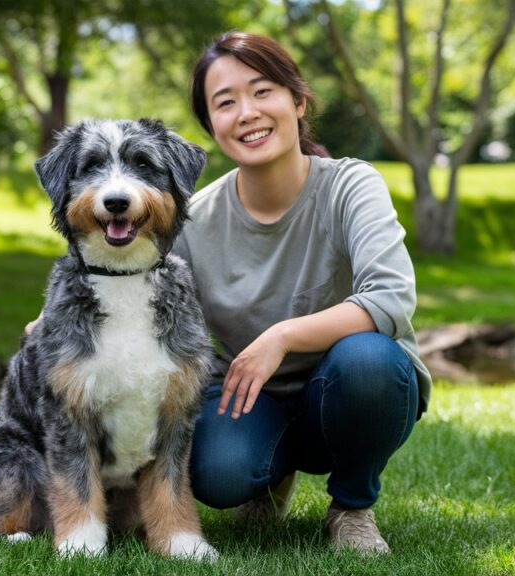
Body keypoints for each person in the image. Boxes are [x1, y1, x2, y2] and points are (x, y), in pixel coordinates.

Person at [171, 31, 432, 555]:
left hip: (346, 386)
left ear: (297, 99)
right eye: (225, 102)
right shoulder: (195, 219)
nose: (246, 112)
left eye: (262, 91)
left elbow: (391, 299)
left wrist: (283, 337)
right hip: (249, 394)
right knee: (217, 475)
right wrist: (58, 318)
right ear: (212, 126)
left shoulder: (351, 185)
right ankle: (267, 479)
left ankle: (353, 507)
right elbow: (145, 293)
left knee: (370, 363)